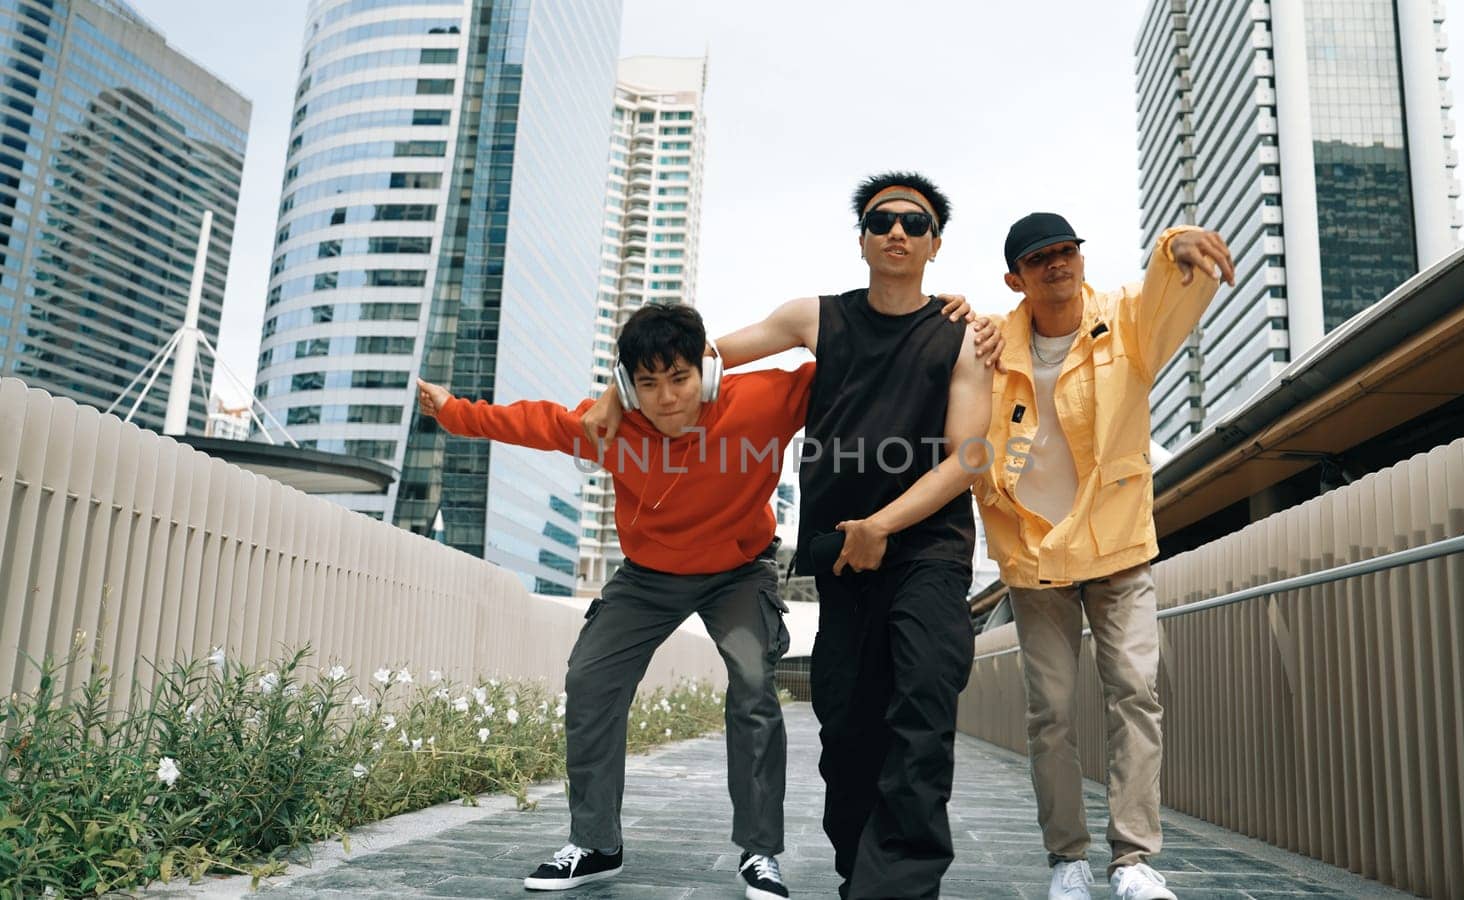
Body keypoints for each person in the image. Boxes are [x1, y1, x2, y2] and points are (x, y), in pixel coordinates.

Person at [586, 171, 994, 899]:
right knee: (847, 727)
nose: (896, 230)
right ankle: (858, 871)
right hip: (839, 558)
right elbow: (700, 361)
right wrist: (617, 398)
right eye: (880, 220)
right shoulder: (814, 316)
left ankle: (894, 888)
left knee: (924, 704)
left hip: (927, 550)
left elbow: (969, 458)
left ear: (935, 244)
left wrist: (883, 525)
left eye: (913, 221)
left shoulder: (962, 337)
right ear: (863, 237)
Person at [417, 303, 805, 900]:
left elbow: (855, 362)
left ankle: (760, 854)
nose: (667, 398)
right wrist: (452, 412)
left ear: (706, 370)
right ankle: (597, 844)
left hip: (738, 574)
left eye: (679, 379)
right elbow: (533, 423)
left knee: (754, 686)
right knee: (590, 679)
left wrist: (954, 327)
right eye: (647, 384)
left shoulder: (760, 402)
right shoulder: (610, 425)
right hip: (648, 577)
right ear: (626, 386)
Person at [974, 212, 1234, 900]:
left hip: (1117, 547)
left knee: (1135, 692)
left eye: (1067, 252)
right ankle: (1068, 858)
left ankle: (1134, 861)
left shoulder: (1125, 321)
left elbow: (1168, 287)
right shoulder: (993, 347)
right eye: (1040, 259)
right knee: (1050, 712)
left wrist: (1176, 241)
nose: (1058, 264)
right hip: (1037, 557)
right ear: (1016, 278)